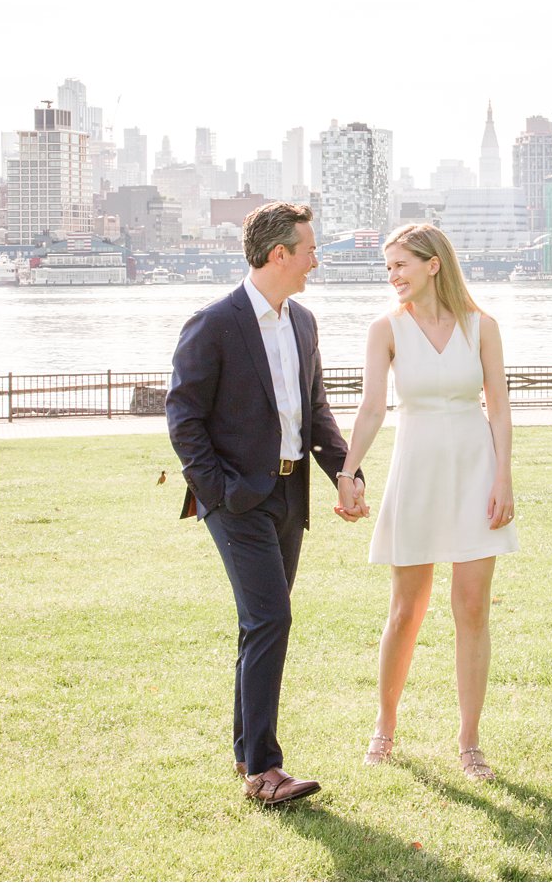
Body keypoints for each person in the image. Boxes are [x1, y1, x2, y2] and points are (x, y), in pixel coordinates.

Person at [167, 202, 367, 807]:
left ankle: (241, 751)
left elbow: (317, 410)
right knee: (271, 619)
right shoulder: (213, 323)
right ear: (278, 254)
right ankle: (264, 771)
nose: (316, 260)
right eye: (309, 249)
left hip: (290, 494)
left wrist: (344, 472)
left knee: (260, 622)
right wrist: (220, 492)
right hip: (236, 500)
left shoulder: (303, 321)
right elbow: (183, 419)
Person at [335, 222, 518, 782]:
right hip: (415, 472)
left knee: (472, 609)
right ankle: (384, 729)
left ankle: (470, 744)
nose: (392, 276)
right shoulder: (385, 329)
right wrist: (347, 471)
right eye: (388, 268)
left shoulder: (481, 327)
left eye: (400, 265)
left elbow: (500, 407)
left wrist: (503, 479)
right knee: (406, 610)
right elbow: (371, 409)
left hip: (474, 470)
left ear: (433, 264)